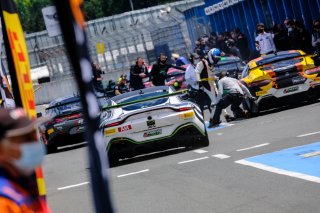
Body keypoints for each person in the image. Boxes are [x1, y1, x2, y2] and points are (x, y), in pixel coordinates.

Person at [0, 108, 50, 212]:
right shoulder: (4, 201)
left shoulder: (23, 184)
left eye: (34, 136)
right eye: (26, 139)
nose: (34, 144)